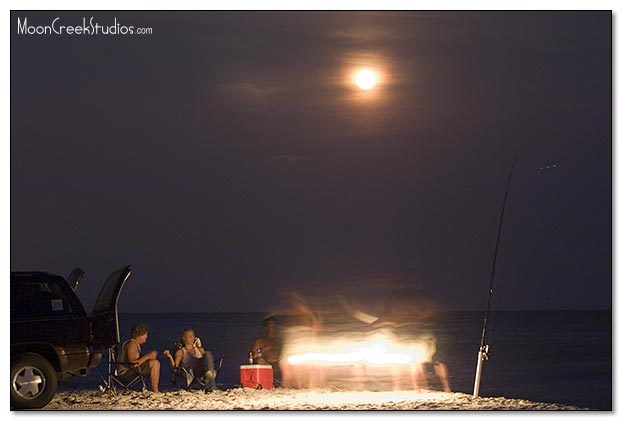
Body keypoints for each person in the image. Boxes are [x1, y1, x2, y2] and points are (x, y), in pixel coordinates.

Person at [164, 328, 216, 392]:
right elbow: (175, 367)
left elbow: (207, 361)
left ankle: (208, 374)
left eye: (193, 336)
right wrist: (170, 357)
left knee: (207, 354)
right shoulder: (181, 352)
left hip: (202, 370)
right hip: (192, 372)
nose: (192, 337)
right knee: (208, 370)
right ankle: (210, 381)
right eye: (189, 336)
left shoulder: (200, 349)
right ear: (184, 338)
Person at [117, 323, 161, 393]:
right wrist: (148, 356)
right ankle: (155, 390)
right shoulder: (131, 344)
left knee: (153, 361)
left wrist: (149, 357)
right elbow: (133, 364)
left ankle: (155, 389)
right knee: (155, 363)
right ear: (139, 335)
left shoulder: (136, 344)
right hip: (126, 373)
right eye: (145, 334)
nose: (146, 336)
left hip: (131, 371)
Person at [250, 316, 283, 387]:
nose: (273, 328)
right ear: (266, 328)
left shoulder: (280, 340)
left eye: (274, 325)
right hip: (267, 364)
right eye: (270, 325)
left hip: (279, 364)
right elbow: (252, 356)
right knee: (259, 360)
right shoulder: (260, 341)